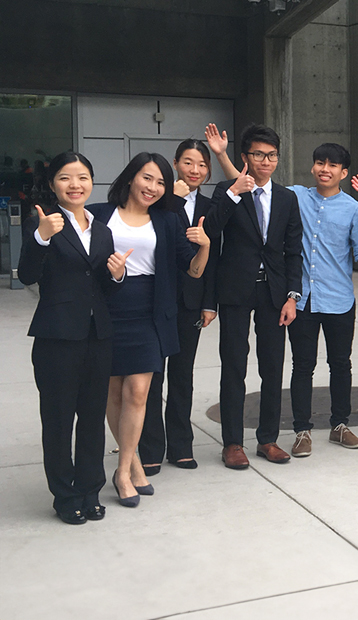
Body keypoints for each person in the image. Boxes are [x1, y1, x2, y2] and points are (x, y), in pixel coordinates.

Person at [212, 131, 358, 457]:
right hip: (300, 299)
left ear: (344, 172)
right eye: (320, 162)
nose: (325, 169)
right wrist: (222, 157)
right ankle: (299, 431)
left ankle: (338, 424)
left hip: (336, 297)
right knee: (300, 366)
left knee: (339, 364)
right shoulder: (295, 195)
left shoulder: (353, 210)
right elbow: (248, 186)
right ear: (312, 167)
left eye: (333, 165)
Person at [88, 153, 210, 506]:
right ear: (130, 178)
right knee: (114, 392)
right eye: (147, 178)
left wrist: (205, 246)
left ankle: (122, 472)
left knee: (138, 392)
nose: (153, 188)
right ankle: (135, 463)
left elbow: (194, 270)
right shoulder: (99, 214)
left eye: (160, 182)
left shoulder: (168, 220)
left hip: (149, 310)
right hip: (109, 307)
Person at [20, 152, 129, 524]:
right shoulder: (44, 223)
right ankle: (65, 496)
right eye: (66, 178)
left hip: (97, 337)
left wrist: (117, 275)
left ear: (91, 181)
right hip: (57, 338)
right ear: (53, 184)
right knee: (58, 418)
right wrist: (41, 238)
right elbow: (28, 276)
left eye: (82, 177)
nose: (75, 185)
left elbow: (101, 287)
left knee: (92, 417)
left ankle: (90, 488)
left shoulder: (102, 229)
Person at [203, 124, 303, 469]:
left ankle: (268, 439)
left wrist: (292, 296)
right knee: (234, 365)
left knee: (272, 366)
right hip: (235, 290)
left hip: (274, 293)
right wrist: (233, 194)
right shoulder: (226, 190)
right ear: (245, 157)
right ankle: (232, 443)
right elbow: (210, 232)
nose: (266, 161)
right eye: (258, 155)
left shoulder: (288, 198)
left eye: (272, 155)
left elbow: (294, 252)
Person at [139, 139, 220, 475]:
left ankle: (181, 445)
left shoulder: (209, 205)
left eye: (202, 165)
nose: (195, 170)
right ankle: (150, 448)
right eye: (188, 162)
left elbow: (212, 257)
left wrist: (208, 303)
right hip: (155, 300)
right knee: (152, 377)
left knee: (182, 375)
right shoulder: (158, 201)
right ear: (175, 164)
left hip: (190, 303)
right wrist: (170, 195)